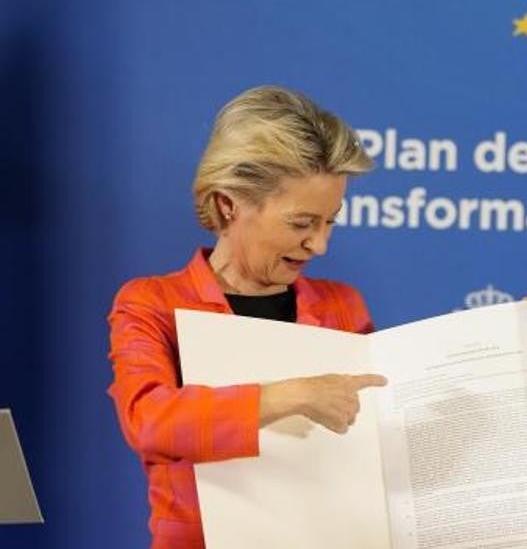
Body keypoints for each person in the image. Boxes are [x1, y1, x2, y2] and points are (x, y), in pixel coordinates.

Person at [107, 85, 387, 549]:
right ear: (227, 204)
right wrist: (294, 395)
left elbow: (395, 413)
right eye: (302, 224)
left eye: (330, 221)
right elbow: (150, 421)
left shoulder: (344, 306)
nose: (320, 245)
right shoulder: (151, 303)